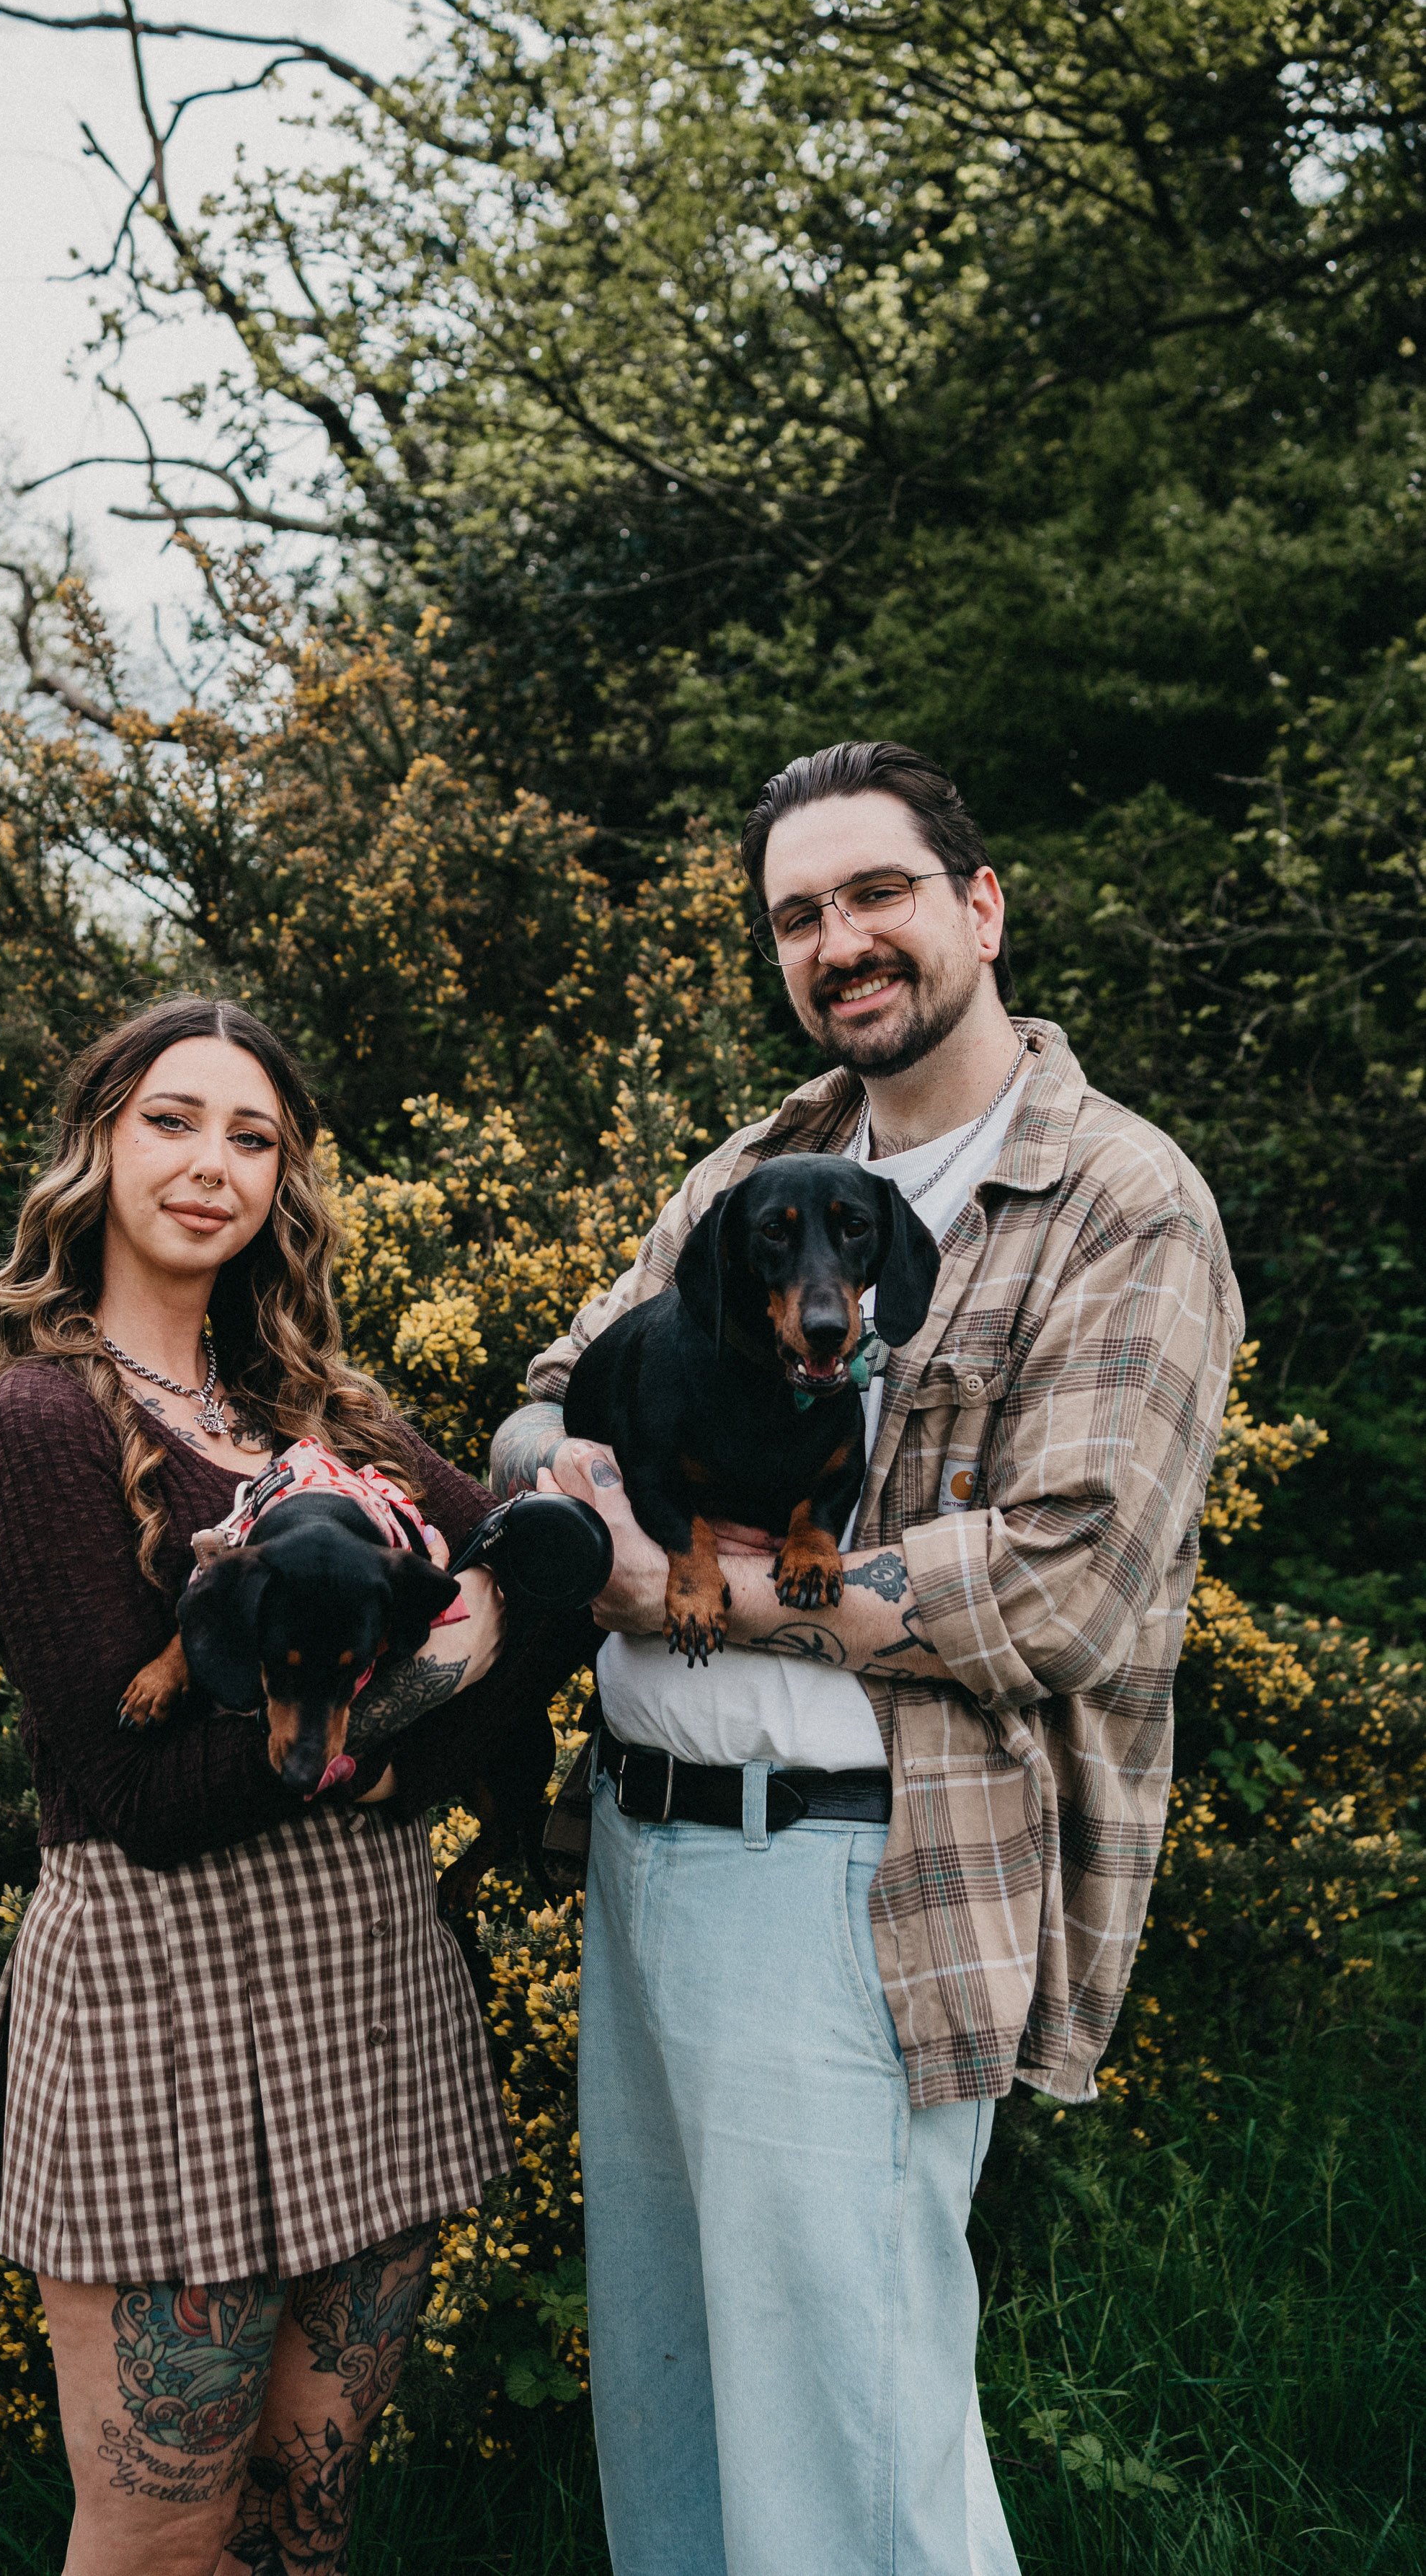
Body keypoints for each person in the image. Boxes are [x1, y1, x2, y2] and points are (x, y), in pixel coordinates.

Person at [492, 741, 1244, 2576]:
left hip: (854, 1866)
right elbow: (535, 1408)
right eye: (797, 914)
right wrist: (573, 1490)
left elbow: (1063, 1585)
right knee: (671, 2421)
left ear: (977, 908)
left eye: (875, 893)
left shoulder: (1118, 1201)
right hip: (643, 1845)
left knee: (852, 2431)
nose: (840, 941)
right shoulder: (756, 1169)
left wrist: (660, 1577)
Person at [0, 994, 570, 2576]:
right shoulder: (36, 1428)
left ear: (283, 1182)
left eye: (252, 1135)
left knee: (305, 2521)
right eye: (170, 1119)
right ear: (95, 1144)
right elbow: (140, 1794)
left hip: (365, 1985)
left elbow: (531, 1597)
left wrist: (438, 1705)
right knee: (162, 2538)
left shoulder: (323, 1415)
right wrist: (433, 1675)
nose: (210, 1161)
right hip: (164, 2008)